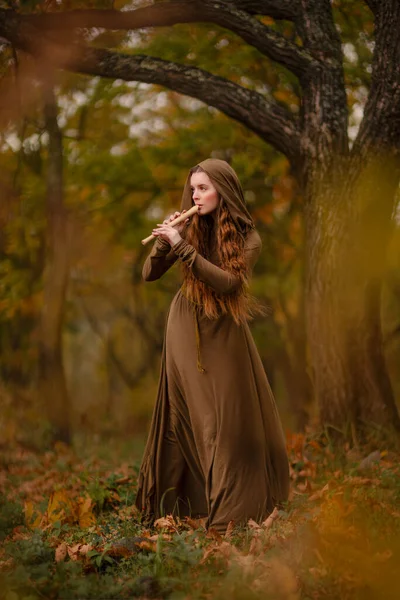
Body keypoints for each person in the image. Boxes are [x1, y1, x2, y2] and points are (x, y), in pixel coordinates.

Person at [134, 158, 290, 533]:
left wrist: (182, 248)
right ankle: (183, 506)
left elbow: (229, 284)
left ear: (224, 189)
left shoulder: (249, 237)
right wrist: (165, 241)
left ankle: (236, 508)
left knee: (226, 418)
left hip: (224, 331)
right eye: (193, 189)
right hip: (185, 327)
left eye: (203, 188)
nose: (196, 195)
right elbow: (149, 275)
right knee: (193, 416)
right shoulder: (189, 228)